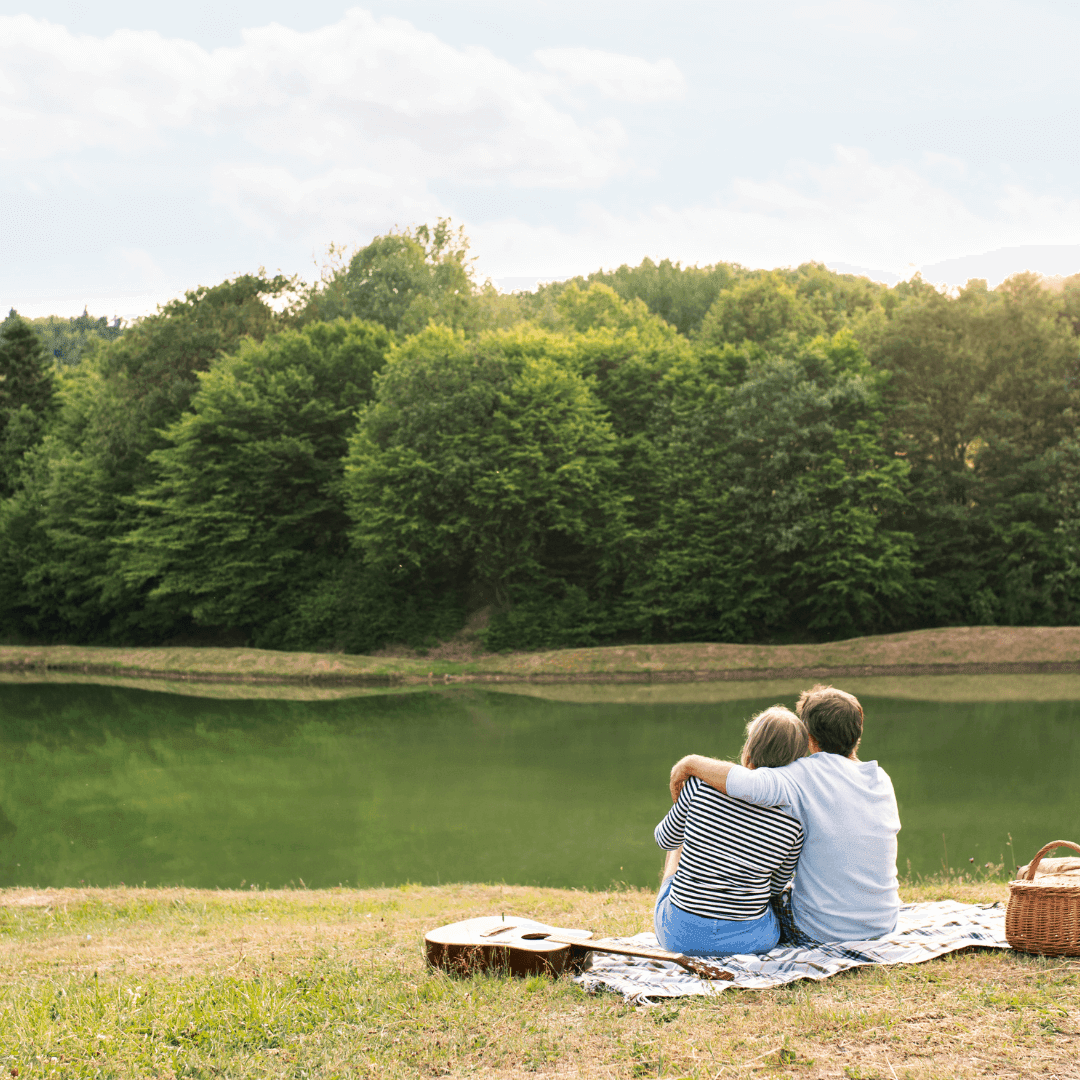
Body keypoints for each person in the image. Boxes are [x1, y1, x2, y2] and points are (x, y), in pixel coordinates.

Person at [669, 684, 900, 946]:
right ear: (858, 733)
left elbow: (743, 781)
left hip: (822, 932)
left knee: (760, 899)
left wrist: (689, 763)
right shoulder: (880, 778)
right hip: (883, 924)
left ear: (809, 737)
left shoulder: (801, 774)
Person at [653, 706, 807, 957]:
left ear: (749, 749)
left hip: (680, 936)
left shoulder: (698, 787)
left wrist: (691, 815)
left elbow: (665, 839)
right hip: (750, 941)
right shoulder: (793, 824)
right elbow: (775, 888)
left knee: (681, 839)